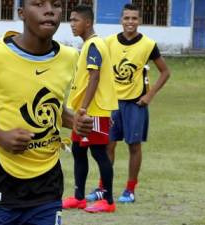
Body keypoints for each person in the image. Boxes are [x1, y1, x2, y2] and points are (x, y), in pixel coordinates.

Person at [0, 0, 94, 224]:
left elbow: (50, 106)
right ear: (22, 13)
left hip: (47, 182)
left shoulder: (69, 57)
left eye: (55, 5)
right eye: (38, 4)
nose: (49, 10)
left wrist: (73, 121)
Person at [87, 3, 171, 203]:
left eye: (134, 18)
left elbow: (165, 72)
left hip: (135, 104)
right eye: (127, 18)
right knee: (108, 145)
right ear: (121, 20)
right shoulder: (108, 43)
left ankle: (130, 190)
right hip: (112, 103)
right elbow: (98, 70)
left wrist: (149, 96)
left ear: (140, 21)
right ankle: (103, 188)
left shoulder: (148, 44)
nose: (130, 22)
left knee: (134, 146)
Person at [62, 5, 118, 213]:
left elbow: (94, 77)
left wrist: (83, 108)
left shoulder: (94, 44)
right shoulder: (88, 45)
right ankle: (78, 198)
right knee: (78, 150)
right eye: (71, 20)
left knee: (99, 153)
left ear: (88, 22)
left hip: (93, 111)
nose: (72, 25)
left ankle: (108, 201)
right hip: (83, 112)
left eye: (75, 20)